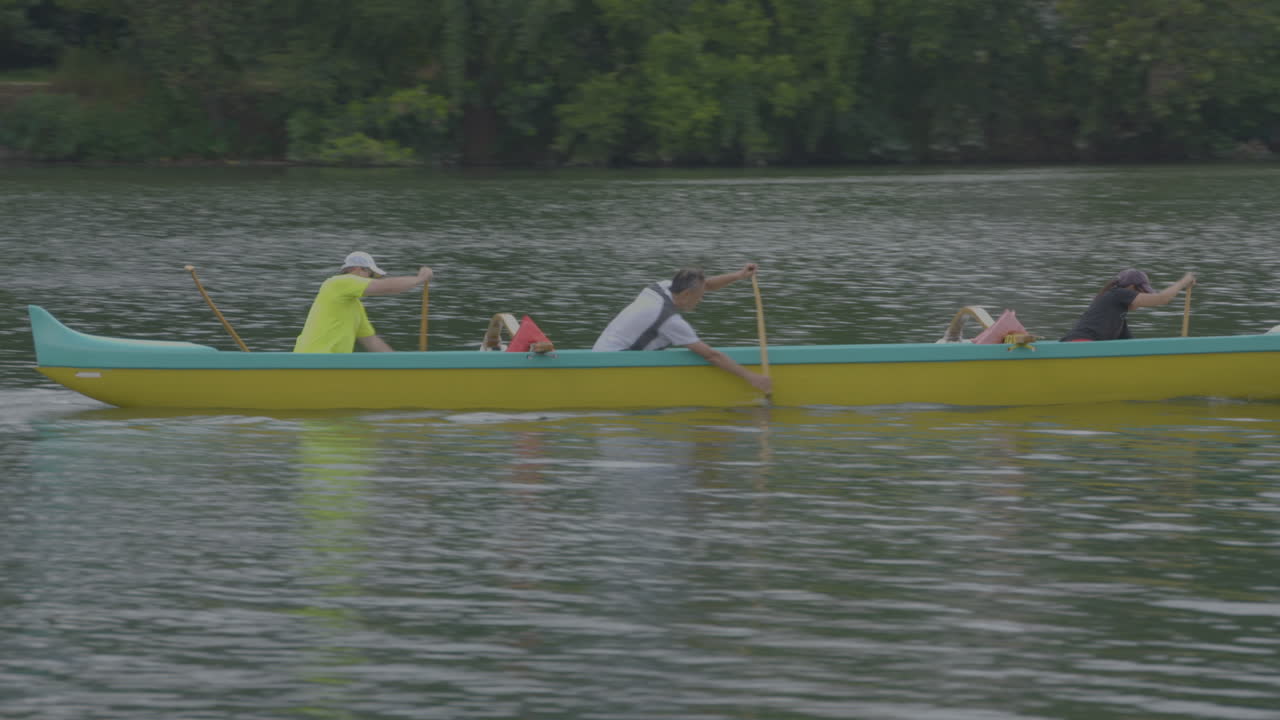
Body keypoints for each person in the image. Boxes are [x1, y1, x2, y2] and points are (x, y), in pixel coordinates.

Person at [592, 264, 773, 394]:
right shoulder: (670, 321)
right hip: (612, 365)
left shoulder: (662, 287)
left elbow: (707, 285)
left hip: (600, 352)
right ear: (686, 294)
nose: (701, 299)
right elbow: (712, 356)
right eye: (699, 296)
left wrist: (739, 275)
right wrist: (751, 377)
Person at [294, 251, 433, 352]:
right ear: (358, 269)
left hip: (331, 365)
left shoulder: (355, 307)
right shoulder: (338, 282)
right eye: (370, 274)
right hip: (311, 361)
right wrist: (420, 279)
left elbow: (372, 342)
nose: (371, 279)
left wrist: (401, 364)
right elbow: (387, 287)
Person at [1060, 268, 1196, 342]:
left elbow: (1133, 347)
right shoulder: (1118, 293)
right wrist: (1184, 281)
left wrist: (1175, 347)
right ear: (1131, 288)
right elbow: (1162, 299)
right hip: (1080, 345)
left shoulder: (1118, 319)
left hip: (1081, 346)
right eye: (1142, 292)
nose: (1144, 297)